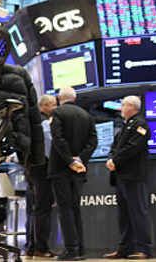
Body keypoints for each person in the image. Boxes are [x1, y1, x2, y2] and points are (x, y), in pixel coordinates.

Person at [49, 87, 98, 261]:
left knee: (65, 209)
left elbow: (57, 139)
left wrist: (70, 160)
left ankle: (70, 249)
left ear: (59, 98)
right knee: (75, 208)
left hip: (61, 169)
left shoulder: (57, 113)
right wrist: (79, 159)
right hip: (79, 170)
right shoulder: (87, 115)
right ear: (74, 98)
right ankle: (80, 249)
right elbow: (93, 141)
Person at [104, 95, 152, 260]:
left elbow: (133, 147)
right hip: (121, 177)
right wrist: (111, 158)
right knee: (124, 215)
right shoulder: (125, 126)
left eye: (123, 105)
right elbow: (114, 147)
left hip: (134, 176)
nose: (121, 108)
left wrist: (115, 160)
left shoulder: (140, 124)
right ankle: (125, 248)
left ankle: (143, 249)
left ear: (132, 107)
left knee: (138, 213)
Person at [27, 94, 59, 258]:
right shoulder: (45, 122)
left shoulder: (33, 120)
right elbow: (50, 147)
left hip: (33, 169)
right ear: (44, 106)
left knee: (36, 209)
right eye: (53, 104)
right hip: (43, 170)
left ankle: (32, 246)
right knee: (43, 209)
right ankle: (41, 247)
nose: (56, 107)